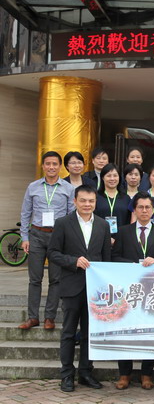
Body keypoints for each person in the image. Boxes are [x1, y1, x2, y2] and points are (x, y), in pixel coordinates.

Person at [47, 185, 112, 392]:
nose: (87, 204)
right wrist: (73, 261)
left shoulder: (102, 225)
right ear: (75, 201)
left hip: (94, 290)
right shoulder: (63, 223)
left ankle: (85, 372)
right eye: (83, 200)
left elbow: (106, 258)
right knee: (68, 332)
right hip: (71, 286)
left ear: (95, 203)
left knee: (89, 333)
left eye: (91, 201)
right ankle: (67, 374)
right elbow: (53, 253)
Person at [111, 192, 154, 391]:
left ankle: (146, 374)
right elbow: (114, 257)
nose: (144, 211)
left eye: (147, 207)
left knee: (150, 332)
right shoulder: (123, 232)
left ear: (152, 210)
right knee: (125, 330)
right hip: (128, 291)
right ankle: (124, 374)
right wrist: (132, 265)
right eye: (140, 207)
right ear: (134, 210)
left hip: (152, 292)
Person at [19, 151, 75, 330]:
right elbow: (25, 213)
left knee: (55, 279)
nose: (51, 167)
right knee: (35, 279)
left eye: (55, 164)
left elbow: (71, 215)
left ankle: (49, 317)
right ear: (43, 166)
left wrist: (68, 239)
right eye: (48, 164)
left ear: (60, 166)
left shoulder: (68, 188)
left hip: (57, 237)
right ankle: (32, 317)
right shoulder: (33, 187)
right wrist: (24, 237)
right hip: (36, 234)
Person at [94, 164, 130, 238]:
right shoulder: (95, 197)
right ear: (103, 177)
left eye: (115, 175)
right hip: (99, 238)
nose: (112, 178)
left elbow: (128, 221)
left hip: (122, 238)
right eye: (109, 176)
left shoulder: (126, 198)